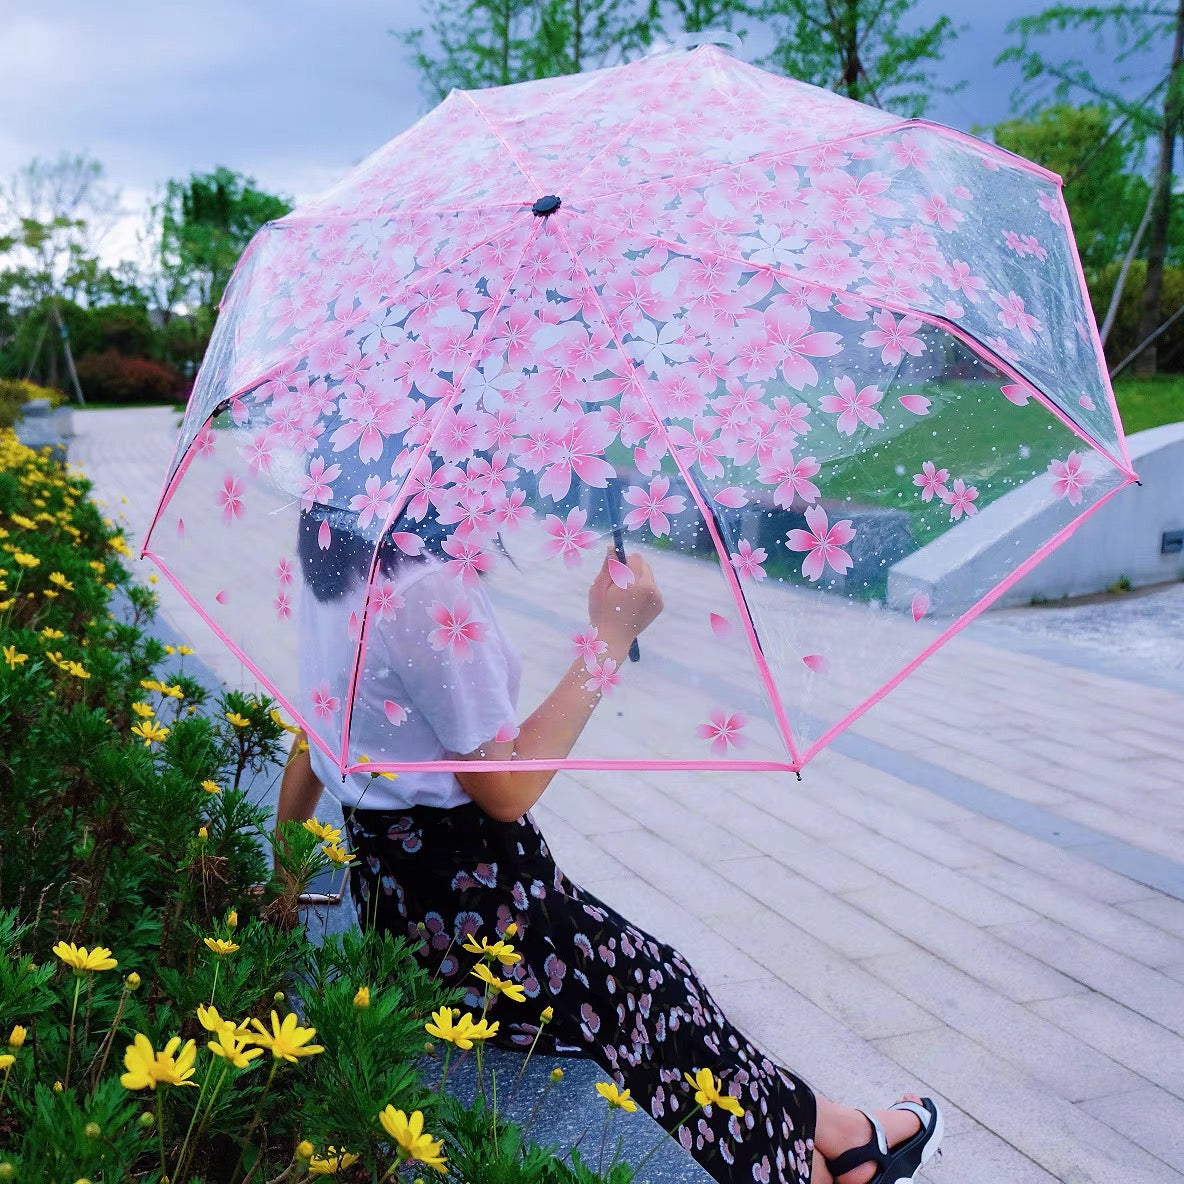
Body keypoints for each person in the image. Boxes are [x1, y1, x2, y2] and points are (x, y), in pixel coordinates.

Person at [279, 507, 943, 1184]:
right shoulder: (426, 589)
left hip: (404, 891)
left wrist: (286, 864)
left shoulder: (338, 544)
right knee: (653, 1016)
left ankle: (841, 1138)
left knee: (663, 984)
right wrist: (611, 635)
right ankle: (827, 1159)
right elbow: (505, 790)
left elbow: (315, 728)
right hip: (477, 907)